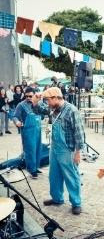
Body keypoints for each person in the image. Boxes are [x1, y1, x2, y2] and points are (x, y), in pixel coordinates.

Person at [41, 87, 84, 215]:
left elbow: (79, 133)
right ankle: (57, 198)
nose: (47, 103)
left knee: (71, 176)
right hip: (54, 147)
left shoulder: (71, 110)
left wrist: (78, 152)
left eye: (47, 100)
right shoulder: (53, 110)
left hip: (67, 149)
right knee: (54, 175)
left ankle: (76, 203)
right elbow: (41, 112)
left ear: (55, 98)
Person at [12, 87, 45, 178]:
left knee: (38, 149)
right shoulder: (21, 105)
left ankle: (35, 167)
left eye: (30, 96)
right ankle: (31, 170)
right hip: (27, 131)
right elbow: (15, 116)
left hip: (38, 130)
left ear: (34, 95)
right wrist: (17, 122)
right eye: (26, 96)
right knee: (30, 150)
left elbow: (42, 115)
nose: (28, 98)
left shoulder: (38, 103)